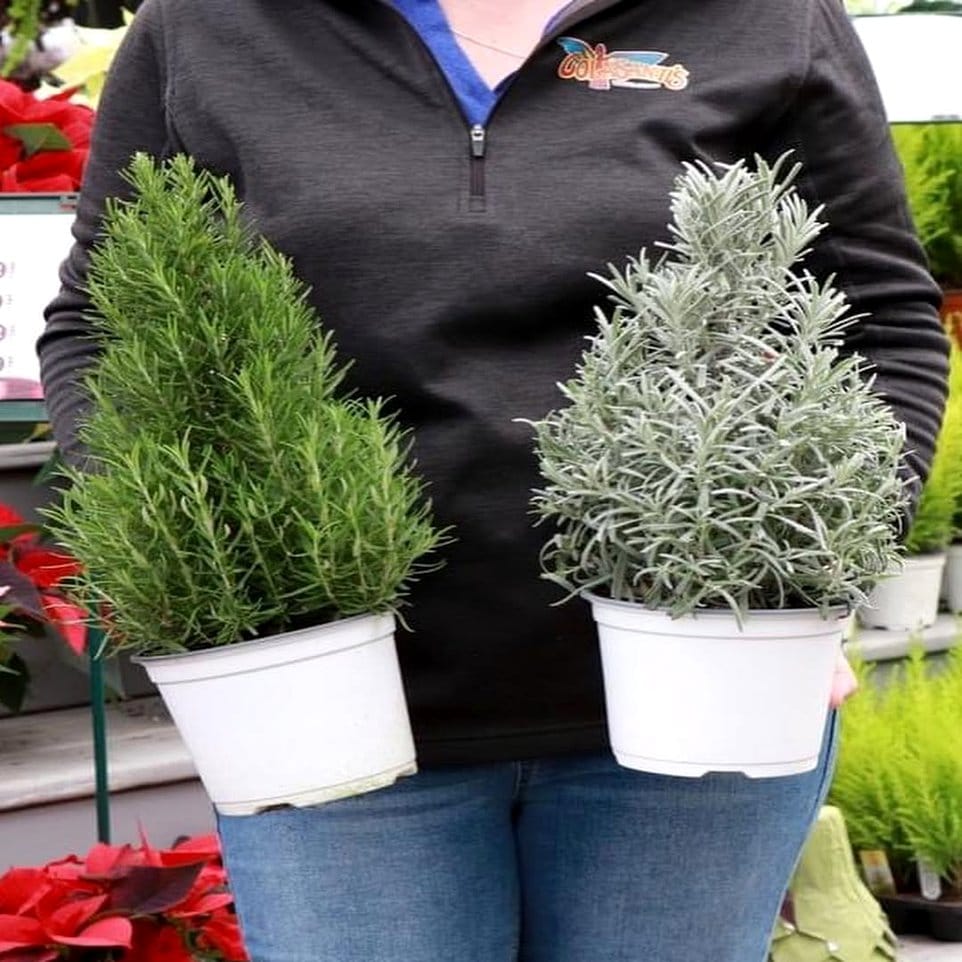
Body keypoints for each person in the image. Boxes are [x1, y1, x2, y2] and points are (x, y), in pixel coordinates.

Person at [38, 1, 948, 960]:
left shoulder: (765, 16)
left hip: (701, 676)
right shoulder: (212, 24)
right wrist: (186, 551)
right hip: (323, 699)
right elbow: (106, 326)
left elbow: (880, 317)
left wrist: (816, 581)